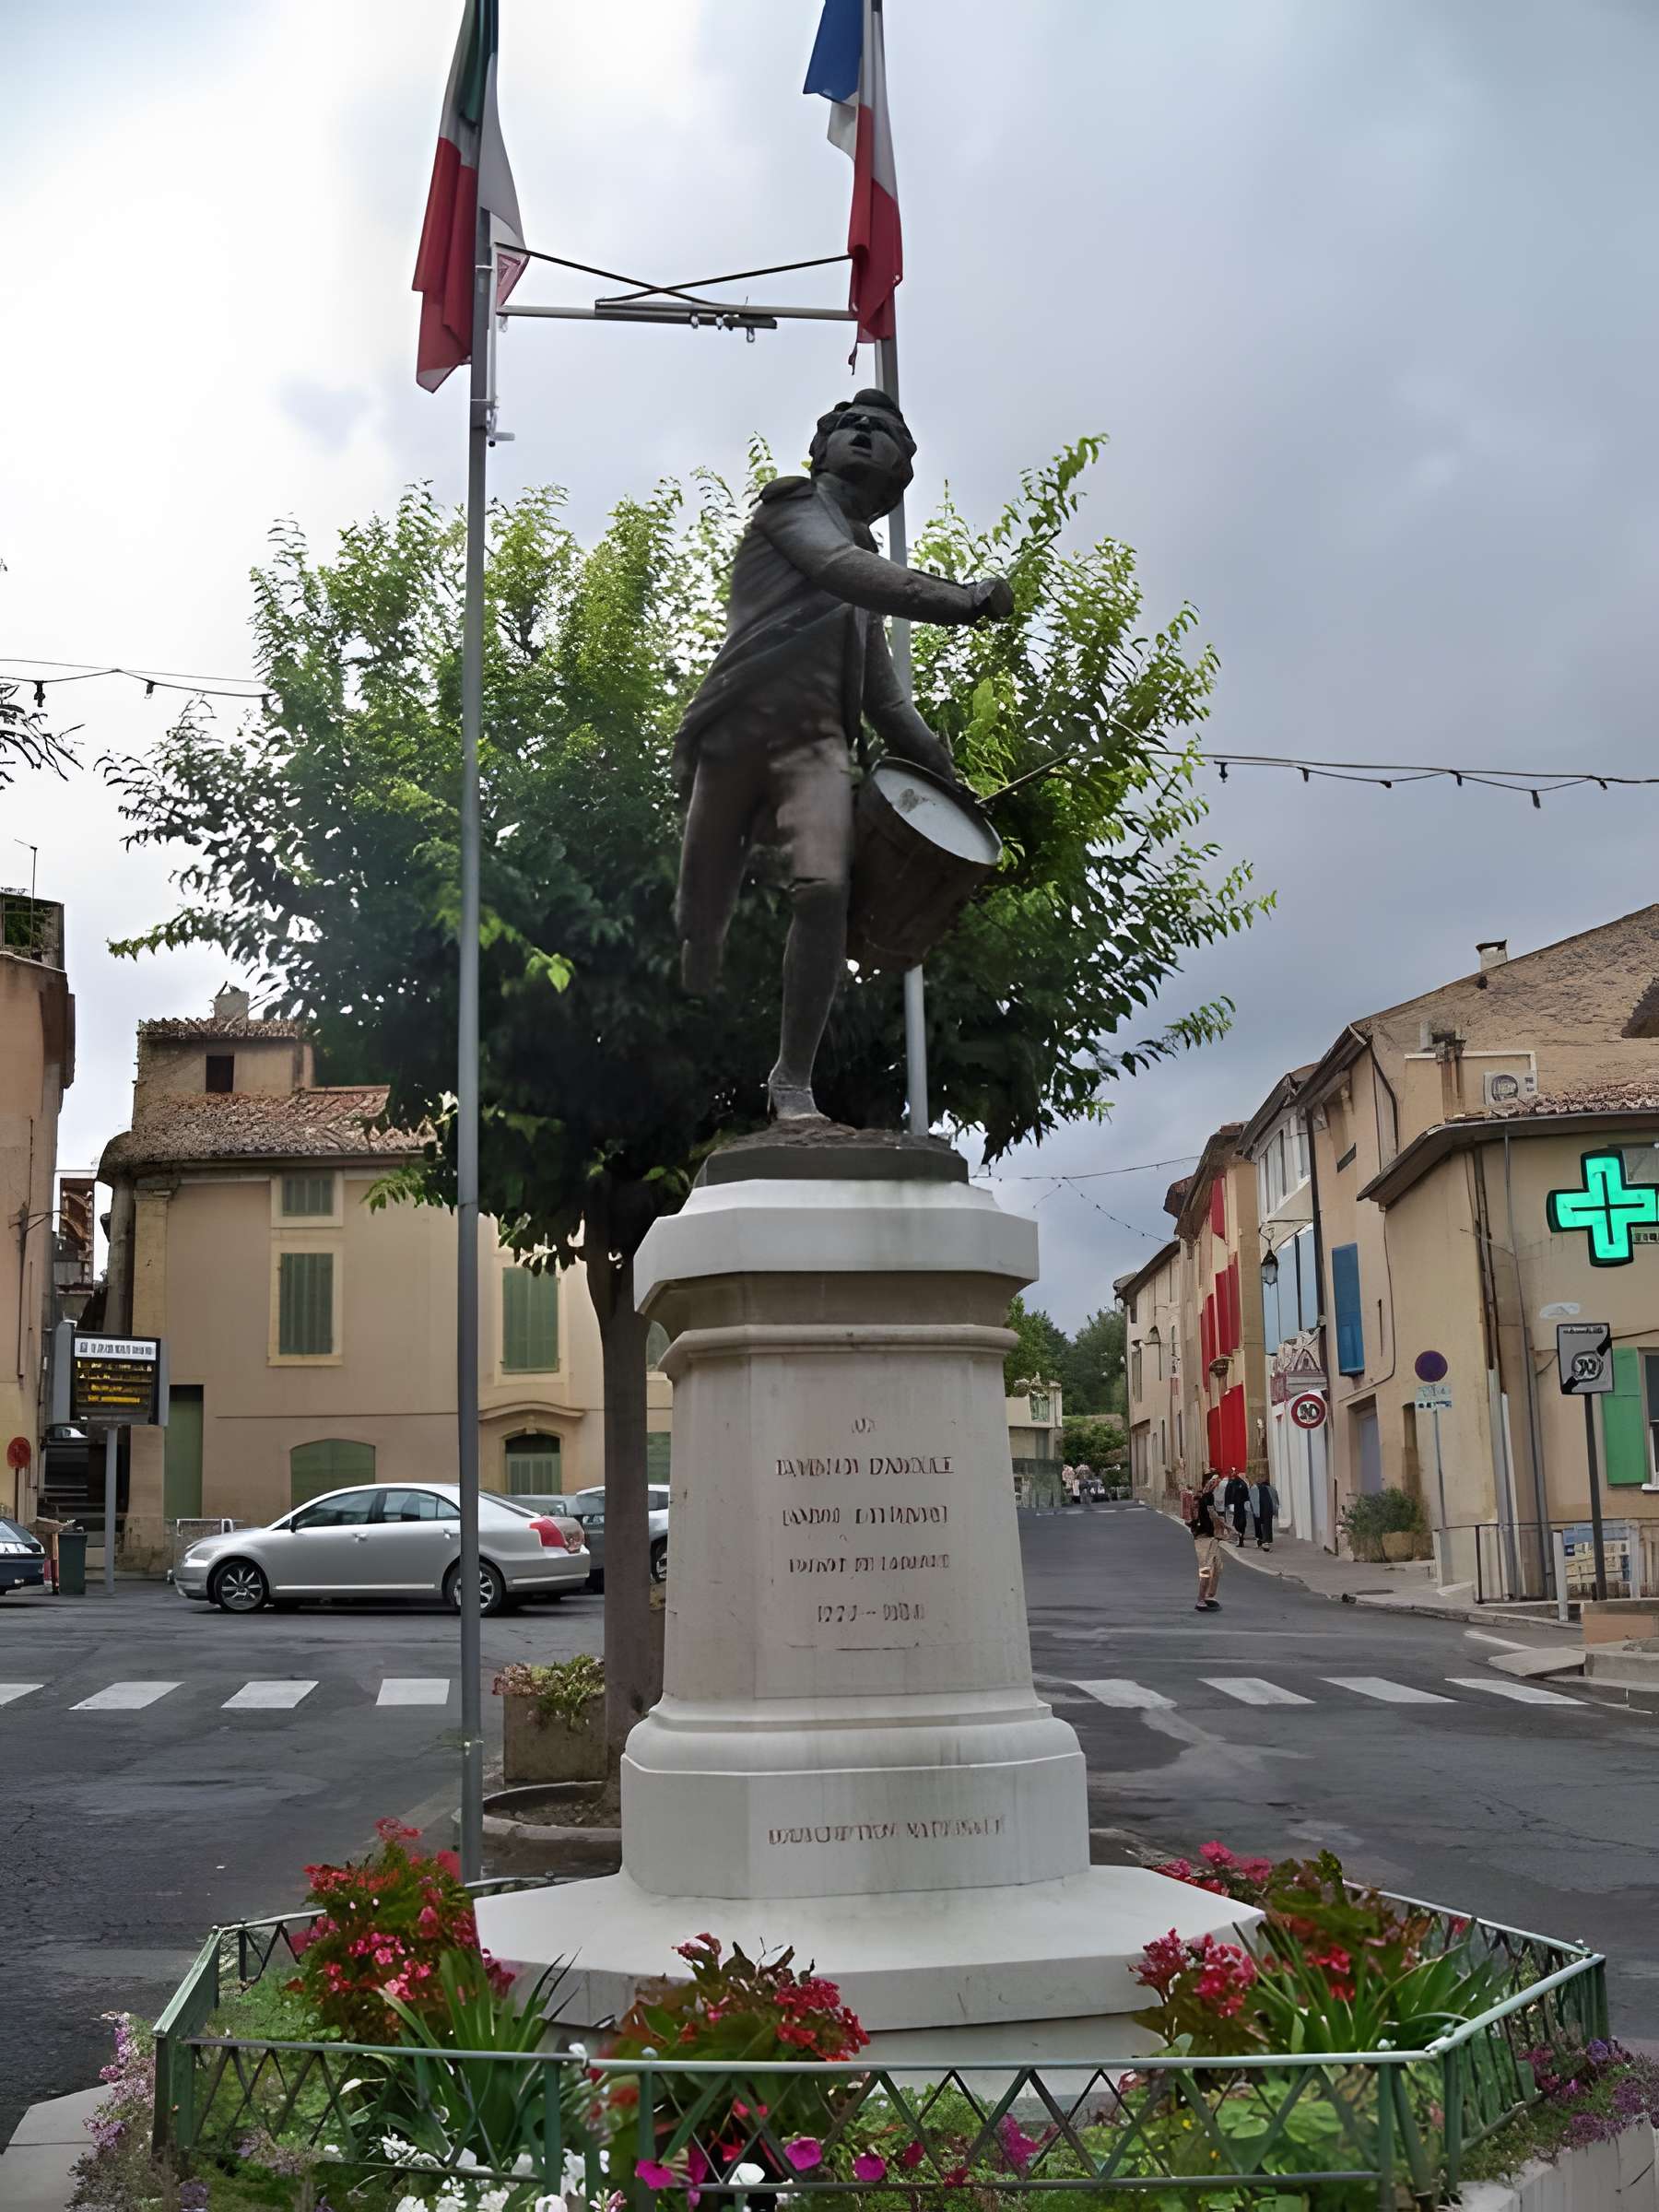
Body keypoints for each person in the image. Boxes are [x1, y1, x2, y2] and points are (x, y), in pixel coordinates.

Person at [672, 388, 1016, 1122]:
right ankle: (700, 944)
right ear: (821, 450)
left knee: (825, 889)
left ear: (898, 473)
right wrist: (961, 600)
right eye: (849, 426)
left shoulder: (862, 573)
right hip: (738, 725)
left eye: (881, 431)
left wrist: (947, 781)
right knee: (703, 899)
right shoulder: (793, 508)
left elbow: (886, 704)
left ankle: (791, 1079)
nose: (863, 434)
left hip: (817, 747)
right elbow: (839, 570)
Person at [1192, 1471, 1224, 1612]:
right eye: (1216, 1481)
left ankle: (1209, 1595)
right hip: (1204, 1537)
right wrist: (1224, 1526)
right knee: (1206, 1568)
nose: (1218, 1483)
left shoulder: (1206, 1496)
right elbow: (1212, 1515)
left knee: (1217, 1566)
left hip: (1211, 1536)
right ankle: (1201, 1599)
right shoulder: (1206, 1497)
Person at [1250, 1475, 1280, 1550]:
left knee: (1259, 1525)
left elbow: (1253, 1501)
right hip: (1268, 1508)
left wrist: (1253, 1510)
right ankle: (1265, 1541)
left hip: (1261, 1509)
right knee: (1266, 1525)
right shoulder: (1271, 1489)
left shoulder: (1254, 1488)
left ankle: (1261, 1541)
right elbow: (1276, 1500)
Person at [1223, 1471, 1251, 1547]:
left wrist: (1229, 1503)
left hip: (1238, 1507)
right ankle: (1240, 1540)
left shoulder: (1237, 1484)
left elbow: (1230, 1494)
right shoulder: (1241, 1484)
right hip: (1239, 1507)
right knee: (1239, 1524)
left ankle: (1240, 1540)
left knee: (1238, 1523)